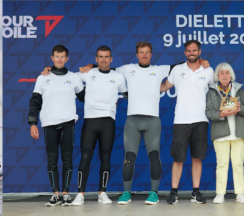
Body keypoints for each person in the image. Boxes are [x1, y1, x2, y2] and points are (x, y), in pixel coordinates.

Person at [78, 42, 209, 205]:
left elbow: (185, 63)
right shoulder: (127, 69)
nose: (144, 55)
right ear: (137, 54)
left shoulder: (159, 69)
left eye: (147, 52)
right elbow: (105, 68)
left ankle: (153, 193)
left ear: (151, 54)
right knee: (129, 157)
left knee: (154, 156)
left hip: (153, 120)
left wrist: (201, 59)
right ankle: (126, 193)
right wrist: (92, 65)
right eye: (141, 52)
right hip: (132, 120)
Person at [43, 46, 128, 205]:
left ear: (111, 59)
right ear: (96, 59)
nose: (103, 59)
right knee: (85, 158)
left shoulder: (118, 77)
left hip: (108, 121)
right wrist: (49, 69)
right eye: (100, 57)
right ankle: (80, 195)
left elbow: (128, 94)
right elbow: (63, 76)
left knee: (106, 158)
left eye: (106, 57)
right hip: (90, 121)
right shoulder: (87, 73)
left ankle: (102, 193)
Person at [28, 45, 85, 207]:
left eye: (62, 57)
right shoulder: (42, 78)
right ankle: (55, 194)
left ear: (67, 59)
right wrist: (33, 123)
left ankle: (66, 194)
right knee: (52, 160)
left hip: (68, 124)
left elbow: (85, 97)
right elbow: (35, 102)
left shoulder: (74, 77)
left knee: (67, 160)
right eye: (56, 57)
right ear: (52, 58)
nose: (59, 59)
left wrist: (107, 98)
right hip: (49, 125)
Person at [160, 40, 214, 204]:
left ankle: (195, 192)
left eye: (194, 50)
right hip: (181, 120)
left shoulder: (209, 70)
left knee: (197, 158)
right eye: (188, 51)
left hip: (201, 120)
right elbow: (163, 87)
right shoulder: (177, 70)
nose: (191, 53)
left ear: (199, 51)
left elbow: (214, 92)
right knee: (178, 158)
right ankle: (174, 192)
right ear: (185, 53)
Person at [205, 62, 244, 204]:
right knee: (222, 164)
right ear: (217, 75)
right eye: (221, 72)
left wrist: (240, 109)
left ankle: (240, 193)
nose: (224, 75)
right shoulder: (212, 90)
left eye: (227, 72)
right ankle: (220, 193)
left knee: (238, 164)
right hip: (220, 134)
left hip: (238, 133)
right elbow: (208, 112)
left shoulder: (239, 89)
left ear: (231, 75)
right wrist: (221, 114)